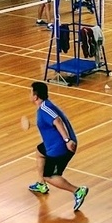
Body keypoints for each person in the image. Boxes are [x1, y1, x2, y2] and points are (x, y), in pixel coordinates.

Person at [27, 81, 89, 212]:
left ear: (35, 96)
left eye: (30, 92)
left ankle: (77, 191)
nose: (29, 94)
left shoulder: (44, 109)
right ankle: (41, 185)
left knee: (49, 176)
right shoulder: (46, 106)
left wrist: (67, 140)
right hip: (55, 144)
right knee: (39, 152)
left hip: (61, 148)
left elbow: (58, 121)